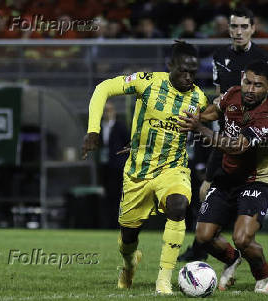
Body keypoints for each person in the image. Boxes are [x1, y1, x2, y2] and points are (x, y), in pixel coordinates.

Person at [178, 7, 268, 266]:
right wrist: (202, 117)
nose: (237, 32)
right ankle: (207, 247)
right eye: (233, 26)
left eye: (243, 27)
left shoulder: (263, 59)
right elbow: (218, 99)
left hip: (251, 139)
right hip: (225, 137)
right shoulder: (219, 56)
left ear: (252, 28)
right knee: (206, 191)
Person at [81, 41, 208, 294]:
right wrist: (93, 130)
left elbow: (210, 120)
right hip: (137, 173)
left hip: (174, 170)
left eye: (193, 73)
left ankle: (164, 279)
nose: (188, 77)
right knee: (127, 239)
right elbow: (103, 88)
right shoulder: (147, 81)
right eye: (183, 71)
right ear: (170, 65)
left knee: (179, 205)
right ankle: (129, 265)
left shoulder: (199, 98)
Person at [178, 60, 268, 293]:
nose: (250, 89)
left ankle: (263, 276)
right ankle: (232, 259)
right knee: (203, 237)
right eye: (247, 82)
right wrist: (198, 116)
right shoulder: (233, 93)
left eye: (257, 85)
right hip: (227, 176)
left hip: (256, 179)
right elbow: (216, 111)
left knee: (243, 238)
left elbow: (236, 147)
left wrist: (199, 129)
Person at [98, 101, 130, 229]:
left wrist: (122, 158)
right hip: (105, 166)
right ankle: (109, 223)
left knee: (119, 195)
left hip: (118, 167)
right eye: (105, 111)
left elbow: (128, 144)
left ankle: (120, 223)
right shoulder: (100, 127)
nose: (107, 113)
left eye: (109, 110)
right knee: (108, 195)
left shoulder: (120, 126)